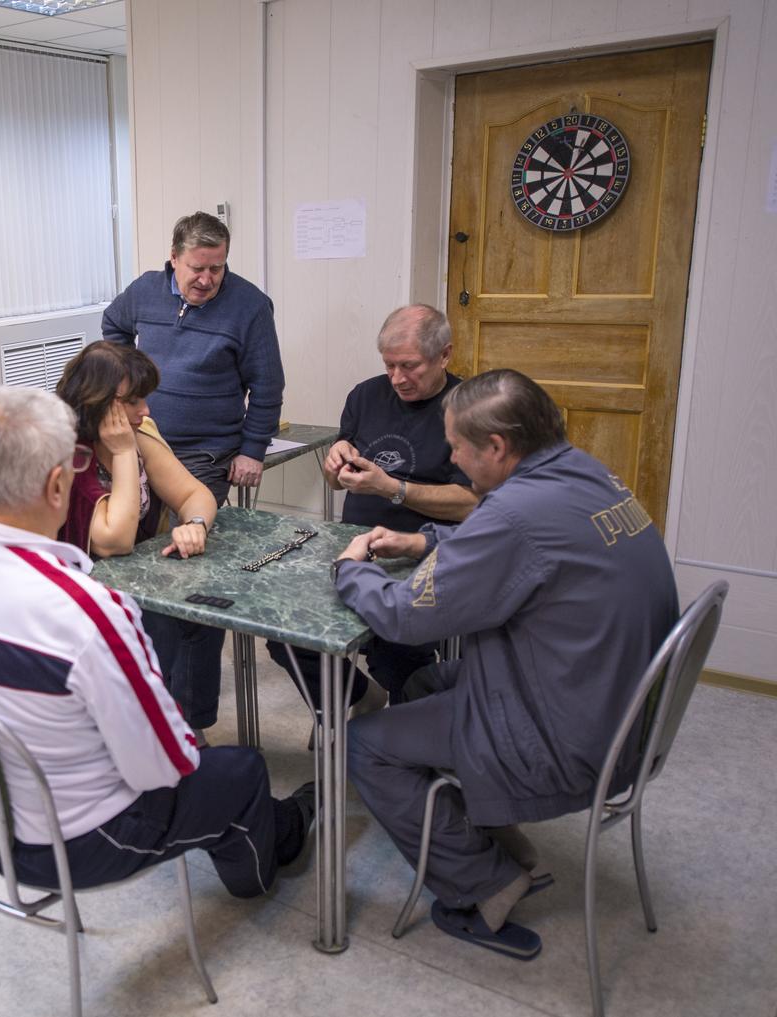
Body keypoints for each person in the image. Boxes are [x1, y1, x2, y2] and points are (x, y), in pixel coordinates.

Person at [0, 386, 313, 897]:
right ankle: (258, 879)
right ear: (55, 484)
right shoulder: (87, 613)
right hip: (81, 843)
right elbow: (166, 765)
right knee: (241, 770)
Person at [332, 369, 678, 960]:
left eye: (458, 449)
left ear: (496, 447)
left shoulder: (514, 512)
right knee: (419, 681)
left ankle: (481, 885)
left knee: (363, 742)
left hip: (567, 735)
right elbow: (528, 551)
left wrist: (349, 566)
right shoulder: (587, 473)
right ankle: (483, 832)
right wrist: (424, 543)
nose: (454, 460)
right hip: (614, 704)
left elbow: (404, 618)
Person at [267, 305, 477, 713]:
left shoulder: (468, 408)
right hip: (355, 550)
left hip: (425, 555)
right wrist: (336, 464)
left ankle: (397, 735)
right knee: (285, 633)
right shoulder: (365, 395)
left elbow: (471, 504)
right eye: (389, 365)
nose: (397, 378)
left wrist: (393, 489)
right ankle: (363, 700)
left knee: (400, 655)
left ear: (445, 355)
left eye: (410, 366)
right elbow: (337, 480)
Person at [55, 342, 222, 740]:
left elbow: (194, 494)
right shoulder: (68, 451)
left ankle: (190, 726)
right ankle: (159, 730)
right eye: (133, 402)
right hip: (84, 587)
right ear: (101, 403)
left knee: (206, 608)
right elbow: (114, 540)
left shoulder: (138, 429)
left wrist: (195, 523)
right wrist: (126, 453)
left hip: (137, 577)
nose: (145, 411)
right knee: (157, 619)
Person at [102, 211, 283, 504]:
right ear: (174, 257)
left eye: (217, 268)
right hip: (143, 441)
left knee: (185, 535)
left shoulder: (251, 306)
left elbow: (268, 386)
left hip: (206, 454)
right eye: (197, 268)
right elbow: (113, 323)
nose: (207, 279)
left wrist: (252, 451)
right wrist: (129, 376)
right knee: (130, 534)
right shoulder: (145, 290)